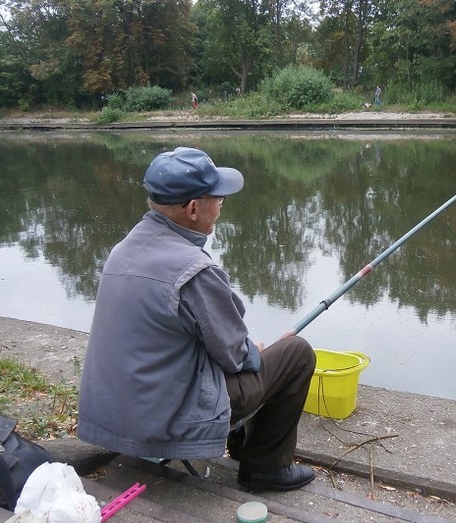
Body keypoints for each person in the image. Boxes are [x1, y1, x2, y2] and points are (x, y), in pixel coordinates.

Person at [78, 147, 317, 492]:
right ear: (193, 209)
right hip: (161, 425)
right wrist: (256, 350)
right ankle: (265, 467)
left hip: (112, 417)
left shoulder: (123, 249)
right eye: (218, 200)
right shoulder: (194, 270)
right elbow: (235, 354)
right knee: (295, 353)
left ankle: (240, 443)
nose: (220, 208)